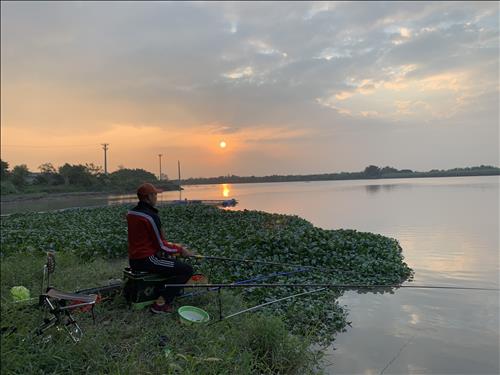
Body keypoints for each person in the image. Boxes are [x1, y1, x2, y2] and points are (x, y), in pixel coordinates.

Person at [127, 182, 194, 314]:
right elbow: (162, 245)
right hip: (147, 259)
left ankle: (161, 291)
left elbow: (145, 239)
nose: (157, 197)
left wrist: (173, 248)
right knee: (186, 270)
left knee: (171, 263)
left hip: (134, 258)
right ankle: (161, 304)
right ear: (148, 197)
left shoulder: (132, 213)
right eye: (155, 194)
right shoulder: (150, 216)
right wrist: (181, 250)